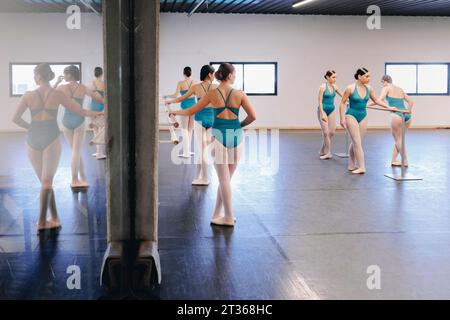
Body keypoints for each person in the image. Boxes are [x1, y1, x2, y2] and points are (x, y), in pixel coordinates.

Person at [12, 63, 99, 232]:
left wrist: (30, 127)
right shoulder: (57, 94)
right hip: (51, 137)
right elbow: (79, 110)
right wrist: (98, 113)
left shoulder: (28, 95)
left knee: (44, 183)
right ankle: (44, 221)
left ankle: (54, 218)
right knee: (47, 183)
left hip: (33, 138)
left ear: (38, 76)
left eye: (34, 74)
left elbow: (15, 118)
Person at [171, 63, 256, 227]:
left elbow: (190, 111)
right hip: (236, 135)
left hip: (219, 135)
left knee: (224, 180)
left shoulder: (212, 93)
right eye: (235, 74)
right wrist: (239, 125)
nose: (236, 76)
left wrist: (176, 112)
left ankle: (228, 217)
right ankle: (218, 214)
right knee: (226, 180)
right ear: (230, 76)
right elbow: (253, 116)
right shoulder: (240, 94)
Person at [339, 68, 398, 174]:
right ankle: (362, 167)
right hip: (351, 115)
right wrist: (342, 119)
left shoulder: (369, 88)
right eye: (367, 76)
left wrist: (389, 107)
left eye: (369, 76)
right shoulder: (350, 88)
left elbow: (376, 101)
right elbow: (342, 103)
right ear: (359, 77)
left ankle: (351, 164)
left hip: (363, 115)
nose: (369, 78)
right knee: (357, 142)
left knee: (356, 142)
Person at [54, 65, 104, 188]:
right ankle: (76, 179)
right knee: (76, 152)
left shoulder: (61, 88)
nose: (64, 76)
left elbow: (49, 94)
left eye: (65, 74)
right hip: (79, 121)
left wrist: (57, 82)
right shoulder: (83, 88)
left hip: (66, 121)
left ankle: (79, 179)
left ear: (70, 74)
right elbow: (99, 99)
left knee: (75, 152)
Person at [166, 65, 216, 186]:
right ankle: (198, 176)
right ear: (209, 74)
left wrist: (169, 102)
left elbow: (180, 98)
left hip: (200, 119)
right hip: (212, 120)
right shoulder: (216, 87)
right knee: (203, 149)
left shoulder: (196, 87)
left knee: (202, 149)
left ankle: (204, 178)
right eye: (213, 73)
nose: (214, 76)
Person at [373, 75, 413, 166]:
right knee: (399, 139)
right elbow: (411, 101)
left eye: (382, 83)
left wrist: (388, 107)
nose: (382, 85)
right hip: (407, 115)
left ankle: (405, 161)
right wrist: (408, 110)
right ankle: (394, 160)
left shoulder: (386, 88)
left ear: (384, 81)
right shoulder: (399, 89)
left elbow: (379, 100)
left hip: (396, 115)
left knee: (398, 140)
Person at [165, 67, 196, 158]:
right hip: (194, 106)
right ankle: (188, 151)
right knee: (190, 130)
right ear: (191, 73)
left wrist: (167, 96)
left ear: (184, 73)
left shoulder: (181, 83)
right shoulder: (195, 83)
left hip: (185, 107)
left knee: (184, 129)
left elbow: (175, 95)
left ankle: (186, 152)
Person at [317, 70, 343, 159]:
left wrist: (350, 99)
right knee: (326, 133)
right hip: (323, 110)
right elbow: (319, 101)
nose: (335, 79)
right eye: (333, 77)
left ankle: (322, 150)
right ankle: (328, 152)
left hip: (331, 110)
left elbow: (343, 96)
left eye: (335, 77)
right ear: (328, 77)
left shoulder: (335, 87)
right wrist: (322, 113)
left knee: (331, 132)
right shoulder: (322, 87)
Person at [90, 67, 107, 160]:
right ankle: (99, 153)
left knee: (95, 130)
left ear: (94, 73)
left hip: (92, 107)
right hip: (100, 108)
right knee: (100, 131)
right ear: (102, 73)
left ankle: (98, 152)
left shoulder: (92, 83)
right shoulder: (104, 84)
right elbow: (105, 99)